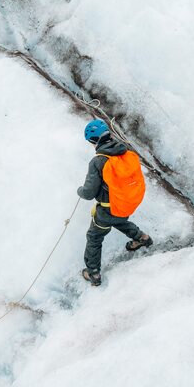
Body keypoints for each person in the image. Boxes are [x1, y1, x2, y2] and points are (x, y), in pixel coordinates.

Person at [77, 118, 152, 286]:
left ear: (92, 141)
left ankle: (93, 273)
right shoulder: (124, 152)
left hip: (108, 209)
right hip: (126, 203)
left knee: (94, 237)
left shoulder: (98, 161)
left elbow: (88, 193)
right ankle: (142, 238)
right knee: (118, 220)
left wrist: (80, 191)